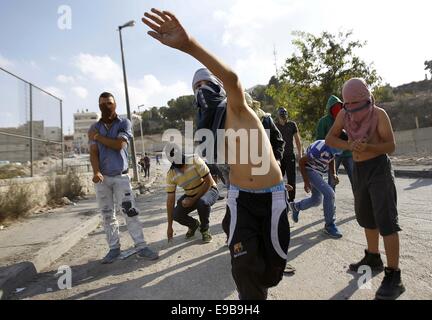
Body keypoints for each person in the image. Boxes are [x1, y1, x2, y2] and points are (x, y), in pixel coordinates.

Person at [142, 8, 290, 300]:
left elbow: (233, 80)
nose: (201, 90)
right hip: (239, 200)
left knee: (271, 271)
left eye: (206, 83)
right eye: (195, 87)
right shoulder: (207, 133)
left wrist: (188, 45)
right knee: (244, 268)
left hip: (271, 196)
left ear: (218, 87)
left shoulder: (237, 108)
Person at [326, 78, 405, 300]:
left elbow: (391, 146)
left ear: (367, 99)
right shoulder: (344, 114)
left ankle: (394, 276)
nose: (352, 110)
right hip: (359, 169)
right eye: (348, 105)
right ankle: (373, 257)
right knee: (366, 216)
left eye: (357, 105)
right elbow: (331, 138)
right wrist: (349, 145)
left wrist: (369, 146)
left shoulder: (379, 114)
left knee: (387, 220)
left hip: (379, 168)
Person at [88, 92, 158, 264]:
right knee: (107, 215)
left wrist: (97, 137)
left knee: (130, 212)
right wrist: (96, 171)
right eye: (102, 104)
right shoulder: (93, 127)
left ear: (115, 104)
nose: (106, 106)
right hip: (103, 179)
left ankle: (141, 247)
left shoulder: (124, 123)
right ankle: (113, 248)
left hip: (121, 177)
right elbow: (93, 153)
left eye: (109, 103)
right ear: (98, 106)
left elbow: (119, 145)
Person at [165, 145, 219, 244]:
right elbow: (170, 201)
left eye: (182, 163)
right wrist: (169, 227)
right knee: (176, 214)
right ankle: (193, 224)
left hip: (209, 190)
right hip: (191, 194)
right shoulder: (171, 174)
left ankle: (205, 229)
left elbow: (208, 182)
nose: (183, 169)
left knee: (202, 203)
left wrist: (193, 200)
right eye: (179, 166)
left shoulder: (195, 160)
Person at [290, 140, 343, 239]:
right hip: (310, 170)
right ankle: (329, 225)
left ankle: (296, 207)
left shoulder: (336, 146)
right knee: (329, 194)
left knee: (316, 200)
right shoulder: (320, 148)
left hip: (319, 172)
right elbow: (301, 162)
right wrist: (306, 182)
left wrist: (334, 173)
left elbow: (331, 158)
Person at [316, 95, 353, 189]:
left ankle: (360, 202)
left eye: (339, 107)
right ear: (330, 109)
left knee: (355, 180)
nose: (337, 109)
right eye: (334, 107)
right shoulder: (323, 122)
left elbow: (354, 134)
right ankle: (330, 203)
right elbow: (320, 140)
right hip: (333, 155)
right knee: (332, 180)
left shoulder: (348, 119)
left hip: (348, 153)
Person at [276, 107, 303, 202]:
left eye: (285, 116)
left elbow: (297, 140)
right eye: (282, 117)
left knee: (291, 179)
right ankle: (278, 197)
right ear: (278, 117)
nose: (284, 119)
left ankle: (291, 200)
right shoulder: (275, 126)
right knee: (277, 178)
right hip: (279, 157)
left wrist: (300, 154)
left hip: (290, 155)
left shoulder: (292, 125)